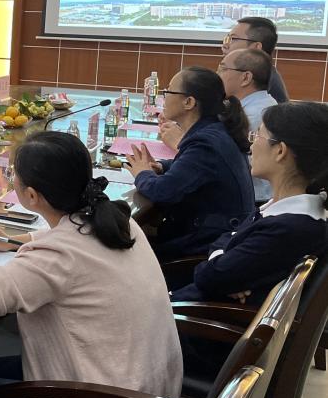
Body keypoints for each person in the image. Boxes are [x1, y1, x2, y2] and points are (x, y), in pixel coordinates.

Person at [0, 132, 181, 398]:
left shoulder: (55, 258)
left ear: (31, 195)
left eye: (13, 175)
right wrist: (14, 241)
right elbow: (68, 244)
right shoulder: (119, 220)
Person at [171, 102, 328, 305]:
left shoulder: (289, 228)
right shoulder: (283, 209)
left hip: (192, 317)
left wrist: (221, 263)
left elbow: (208, 276)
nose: (251, 145)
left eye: (257, 136)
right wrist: (224, 261)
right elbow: (227, 238)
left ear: (280, 151)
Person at [125, 66, 256, 260]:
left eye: (169, 91)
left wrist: (142, 173)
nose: (164, 97)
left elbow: (162, 192)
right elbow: (195, 168)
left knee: (122, 249)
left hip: (202, 248)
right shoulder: (216, 130)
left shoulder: (205, 142)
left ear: (189, 102)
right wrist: (162, 167)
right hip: (213, 235)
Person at [218, 47, 277, 201]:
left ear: (245, 78)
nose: (217, 75)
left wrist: (178, 141)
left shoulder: (255, 115)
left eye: (223, 69)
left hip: (250, 201)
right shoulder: (260, 103)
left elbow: (221, 163)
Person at [221, 16, 288, 103]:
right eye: (227, 39)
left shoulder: (265, 83)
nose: (225, 45)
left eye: (233, 39)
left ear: (256, 47)